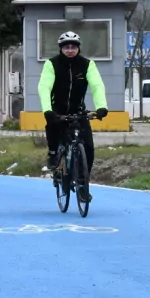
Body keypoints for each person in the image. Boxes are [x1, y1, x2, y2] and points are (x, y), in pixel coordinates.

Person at [38, 31, 109, 202]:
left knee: (89, 149)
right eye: (66, 47)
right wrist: (48, 111)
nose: (70, 50)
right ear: (61, 48)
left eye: (73, 47)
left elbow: (97, 86)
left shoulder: (87, 65)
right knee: (53, 129)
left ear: (78, 48)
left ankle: (83, 186)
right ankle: (53, 153)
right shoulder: (52, 64)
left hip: (78, 111)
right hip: (58, 111)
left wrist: (101, 107)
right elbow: (44, 87)